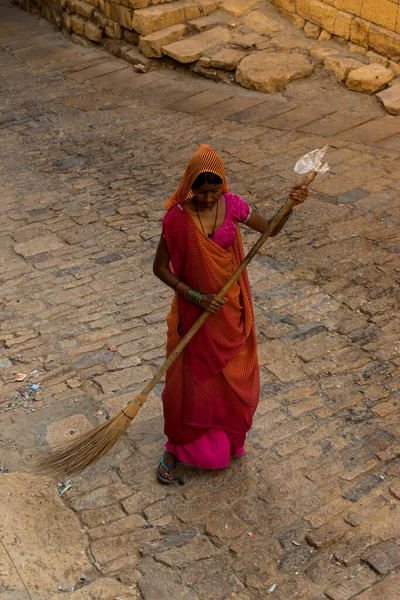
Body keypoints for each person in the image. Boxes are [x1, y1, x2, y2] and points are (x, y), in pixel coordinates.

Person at [153, 144, 308, 483]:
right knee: (190, 384)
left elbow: (270, 229)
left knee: (235, 379)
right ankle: (178, 446)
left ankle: (226, 438)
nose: (208, 198)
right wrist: (195, 296)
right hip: (195, 316)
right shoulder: (176, 218)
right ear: (189, 186)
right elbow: (160, 268)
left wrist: (290, 206)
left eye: (214, 190)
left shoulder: (233, 205)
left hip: (230, 312)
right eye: (201, 191)